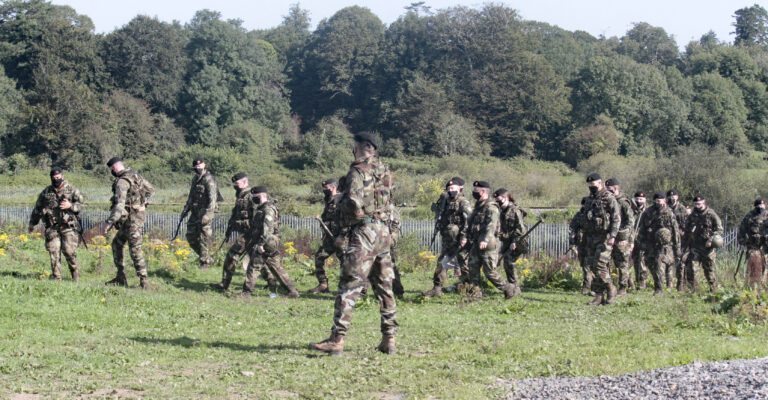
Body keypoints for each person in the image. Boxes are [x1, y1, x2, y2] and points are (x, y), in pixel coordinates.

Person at [310, 132, 398, 355]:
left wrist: (340, 202)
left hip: (364, 232)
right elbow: (388, 201)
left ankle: (337, 339)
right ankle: (389, 338)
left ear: (363, 147)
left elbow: (354, 202)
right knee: (384, 286)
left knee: (350, 285)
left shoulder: (357, 171)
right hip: (383, 232)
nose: (352, 149)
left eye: (355, 146)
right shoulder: (385, 171)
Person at [104, 157, 155, 289]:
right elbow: (150, 190)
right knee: (116, 244)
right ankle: (120, 277)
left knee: (135, 249)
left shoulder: (122, 182)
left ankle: (144, 282)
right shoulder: (135, 175)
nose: (112, 172)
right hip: (132, 219)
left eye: (112, 169)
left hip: (132, 221)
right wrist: (143, 203)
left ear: (114, 168)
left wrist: (110, 222)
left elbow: (119, 205)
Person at [463, 181, 517, 299]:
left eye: (476, 190)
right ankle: (475, 293)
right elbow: (470, 223)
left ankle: (508, 288)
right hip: (476, 242)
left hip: (488, 243)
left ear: (483, 192)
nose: (473, 192)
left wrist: (485, 239)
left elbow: (491, 225)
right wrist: (466, 237)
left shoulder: (491, 207)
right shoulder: (478, 206)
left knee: (489, 272)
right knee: (472, 267)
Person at [28, 167, 84, 281]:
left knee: (69, 252)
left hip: (68, 226)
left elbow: (83, 205)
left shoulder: (72, 190)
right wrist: (32, 223)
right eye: (53, 178)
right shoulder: (46, 192)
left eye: (58, 177)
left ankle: (75, 274)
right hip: (52, 227)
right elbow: (38, 208)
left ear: (62, 176)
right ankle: (56, 277)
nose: (56, 179)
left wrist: (71, 206)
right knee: (54, 252)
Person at [242, 186, 299, 298]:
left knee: (254, 266)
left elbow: (268, 228)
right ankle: (292, 291)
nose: (253, 198)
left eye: (255, 196)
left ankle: (246, 293)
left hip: (267, 242)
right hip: (267, 242)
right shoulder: (262, 208)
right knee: (276, 267)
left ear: (262, 195)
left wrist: (261, 244)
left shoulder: (268, 209)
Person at [423, 177, 472, 297]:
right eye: (449, 188)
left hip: (460, 240)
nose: (451, 190)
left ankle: (469, 288)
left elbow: (469, 220)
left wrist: (464, 237)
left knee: (463, 264)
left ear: (460, 189)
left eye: (453, 188)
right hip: (448, 239)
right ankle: (437, 288)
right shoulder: (445, 201)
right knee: (442, 262)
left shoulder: (463, 202)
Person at [213, 173, 259, 292]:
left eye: (237, 183)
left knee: (232, 256)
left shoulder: (251, 196)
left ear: (245, 182)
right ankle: (272, 282)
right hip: (245, 232)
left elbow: (257, 217)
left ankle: (225, 284)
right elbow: (235, 214)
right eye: (234, 183)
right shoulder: (240, 195)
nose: (235, 185)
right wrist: (230, 228)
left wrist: (250, 229)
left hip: (250, 233)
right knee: (260, 260)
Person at [582, 173, 621, 305]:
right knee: (593, 266)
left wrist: (613, 235)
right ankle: (599, 296)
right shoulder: (589, 199)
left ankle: (610, 288)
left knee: (600, 264)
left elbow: (616, 218)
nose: (591, 187)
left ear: (600, 183)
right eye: (589, 185)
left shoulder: (608, 197)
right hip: (591, 237)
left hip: (605, 237)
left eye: (593, 185)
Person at [635, 193, 680, 295]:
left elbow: (675, 231)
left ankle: (659, 289)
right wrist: (640, 242)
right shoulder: (648, 212)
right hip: (650, 243)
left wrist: (677, 247)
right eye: (656, 201)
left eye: (660, 201)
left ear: (664, 200)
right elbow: (642, 228)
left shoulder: (669, 213)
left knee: (660, 264)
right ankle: (657, 284)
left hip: (665, 245)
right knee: (651, 264)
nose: (658, 203)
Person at [182, 157, 219, 269]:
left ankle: (204, 263)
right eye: (196, 165)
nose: (198, 166)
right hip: (195, 211)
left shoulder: (209, 179)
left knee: (204, 237)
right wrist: (185, 209)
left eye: (200, 164)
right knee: (190, 236)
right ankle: (206, 258)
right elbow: (191, 196)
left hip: (205, 213)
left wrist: (208, 214)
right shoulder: (195, 178)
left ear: (204, 165)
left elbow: (213, 199)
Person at [682, 195, 724, 292]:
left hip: (707, 248)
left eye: (699, 203)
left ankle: (714, 291)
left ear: (703, 202)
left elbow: (719, 229)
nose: (697, 205)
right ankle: (694, 291)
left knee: (709, 270)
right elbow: (687, 231)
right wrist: (684, 246)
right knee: (692, 269)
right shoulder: (692, 216)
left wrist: (711, 239)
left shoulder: (711, 214)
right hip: (695, 247)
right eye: (695, 204)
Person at [310, 178, 342, 294]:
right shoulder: (328, 200)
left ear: (333, 187)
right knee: (319, 257)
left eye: (326, 188)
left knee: (345, 263)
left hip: (340, 237)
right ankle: (323, 284)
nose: (324, 190)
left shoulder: (341, 199)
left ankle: (346, 288)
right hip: (329, 238)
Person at [494, 188, 527, 297]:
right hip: (506, 241)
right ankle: (512, 287)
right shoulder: (501, 211)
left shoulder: (515, 210)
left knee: (508, 261)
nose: (497, 202)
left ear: (505, 198)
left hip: (518, 241)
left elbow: (520, 229)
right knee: (503, 262)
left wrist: (514, 241)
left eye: (499, 200)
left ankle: (515, 287)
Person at [605, 178, 634, 295]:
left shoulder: (623, 202)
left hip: (621, 238)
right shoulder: (607, 201)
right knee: (605, 262)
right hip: (607, 236)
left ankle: (623, 287)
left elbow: (630, 221)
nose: (607, 191)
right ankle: (608, 286)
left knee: (622, 263)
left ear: (616, 188)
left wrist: (623, 233)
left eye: (609, 189)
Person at [738, 198, 767, 289]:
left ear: (765, 205)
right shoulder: (749, 216)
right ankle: (752, 288)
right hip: (753, 247)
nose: (760, 207)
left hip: (766, 247)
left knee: (765, 268)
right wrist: (742, 241)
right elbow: (742, 230)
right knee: (753, 267)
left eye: (762, 205)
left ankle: (764, 288)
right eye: (758, 205)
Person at [568, 197, 592, 295]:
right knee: (584, 265)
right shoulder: (579, 216)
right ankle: (587, 287)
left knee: (592, 266)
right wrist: (572, 244)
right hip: (582, 244)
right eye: (585, 204)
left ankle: (591, 287)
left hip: (593, 244)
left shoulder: (594, 215)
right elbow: (572, 230)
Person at [667, 189, 688, 290]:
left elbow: (687, 224)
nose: (671, 198)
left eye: (673, 196)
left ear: (677, 197)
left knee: (680, 261)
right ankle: (669, 283)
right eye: (670, 196)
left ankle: (681, 283)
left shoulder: (682, 209)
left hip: (680, 239)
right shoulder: (665, 208)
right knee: (668, 261)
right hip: (668, 239)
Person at [630, 191, 648, 289]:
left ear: (645, 200)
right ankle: (630, 282)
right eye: (637, 199)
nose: (639, 201)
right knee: (630, 261)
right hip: (630, 239)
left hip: (643, 240)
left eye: (641, 199)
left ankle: (641, 282)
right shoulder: (630, 210)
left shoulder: (648, 211)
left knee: (641, 261)